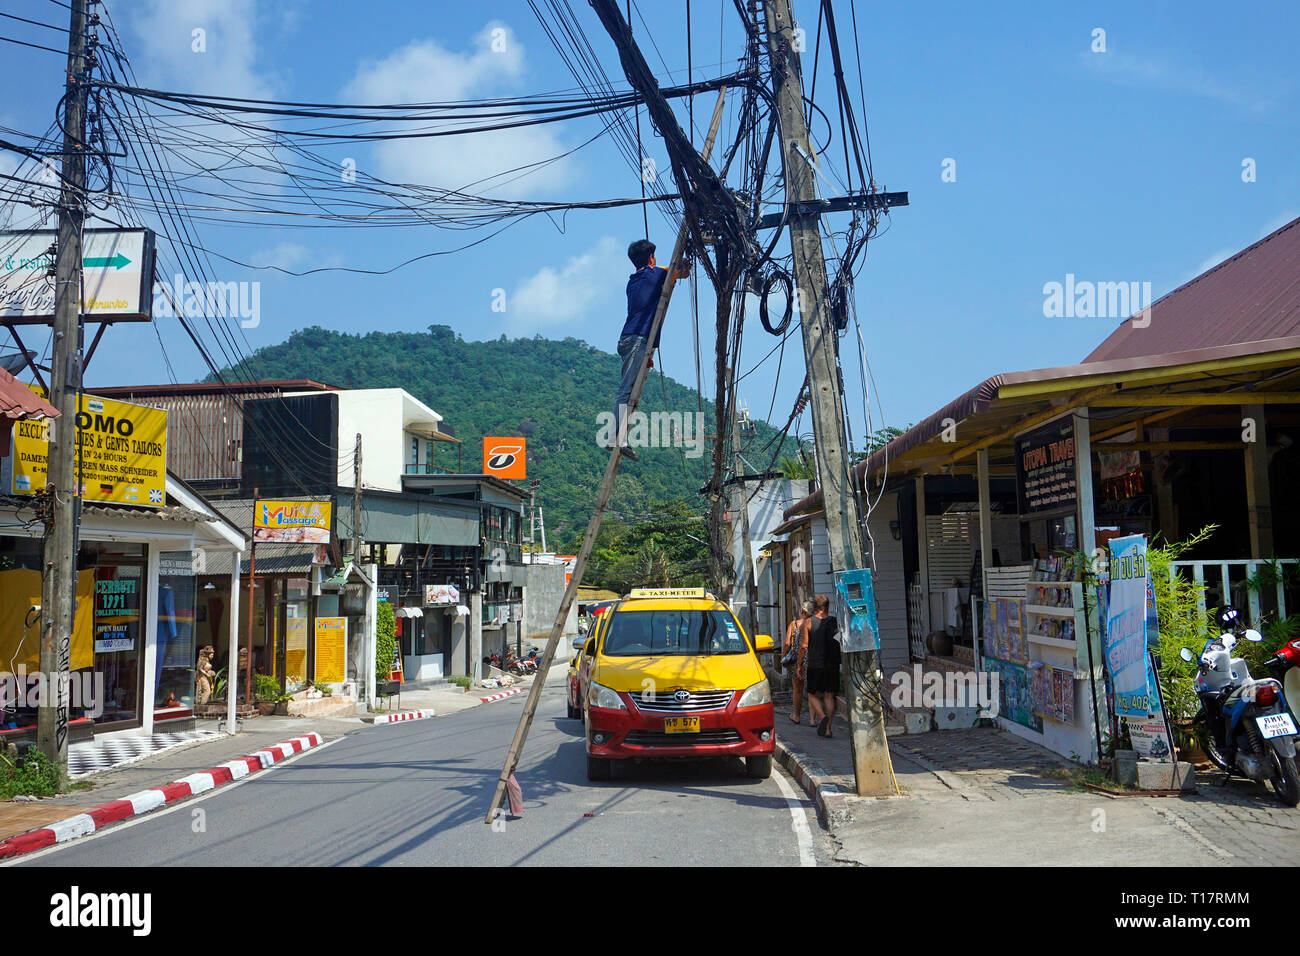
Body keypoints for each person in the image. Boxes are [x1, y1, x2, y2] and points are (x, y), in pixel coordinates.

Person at [611, 238, 690, 460]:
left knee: (630, 393)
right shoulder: (654, 274)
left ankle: (621, 436)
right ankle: (616, 437)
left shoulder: (634, 280)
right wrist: (685, 263)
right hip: (637, 339)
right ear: (651, 258)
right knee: (626, 391)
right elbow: (678, 271)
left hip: (632, 339)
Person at [805, 594, 841, 737]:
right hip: (832, 664)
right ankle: (828, 730)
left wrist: (801, 664)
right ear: (828, 606)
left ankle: (821, 717)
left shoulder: (808, 623)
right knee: (829, 696)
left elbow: (803, 646)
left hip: (815, 664)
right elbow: (839, 641)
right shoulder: (834, 622)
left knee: (811, 693)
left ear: (814, 607)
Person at [784, 600, 813, 724]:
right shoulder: (813, 624)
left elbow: (787, 643)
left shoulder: (794, 624)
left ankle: (796, 715)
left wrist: (784, 656)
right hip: (812, 658)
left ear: (802, 611)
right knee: (812, 690)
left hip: (796, 660)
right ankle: (812, 719)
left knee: (797, 689)